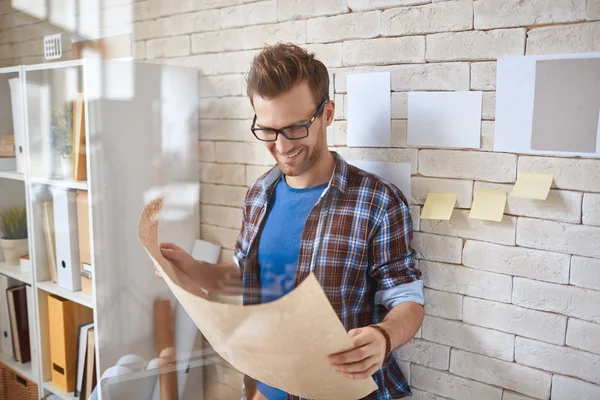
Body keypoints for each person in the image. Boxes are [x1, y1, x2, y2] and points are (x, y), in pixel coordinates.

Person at [159, 43, 424, 400]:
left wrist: (384, 336)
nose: (281, 145)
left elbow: (408, 302)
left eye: (296, 128)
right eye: (268, 130)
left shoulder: (377, 201)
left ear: (327, 113)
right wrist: (193, 270)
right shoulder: (258, 194)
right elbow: (247, 276)